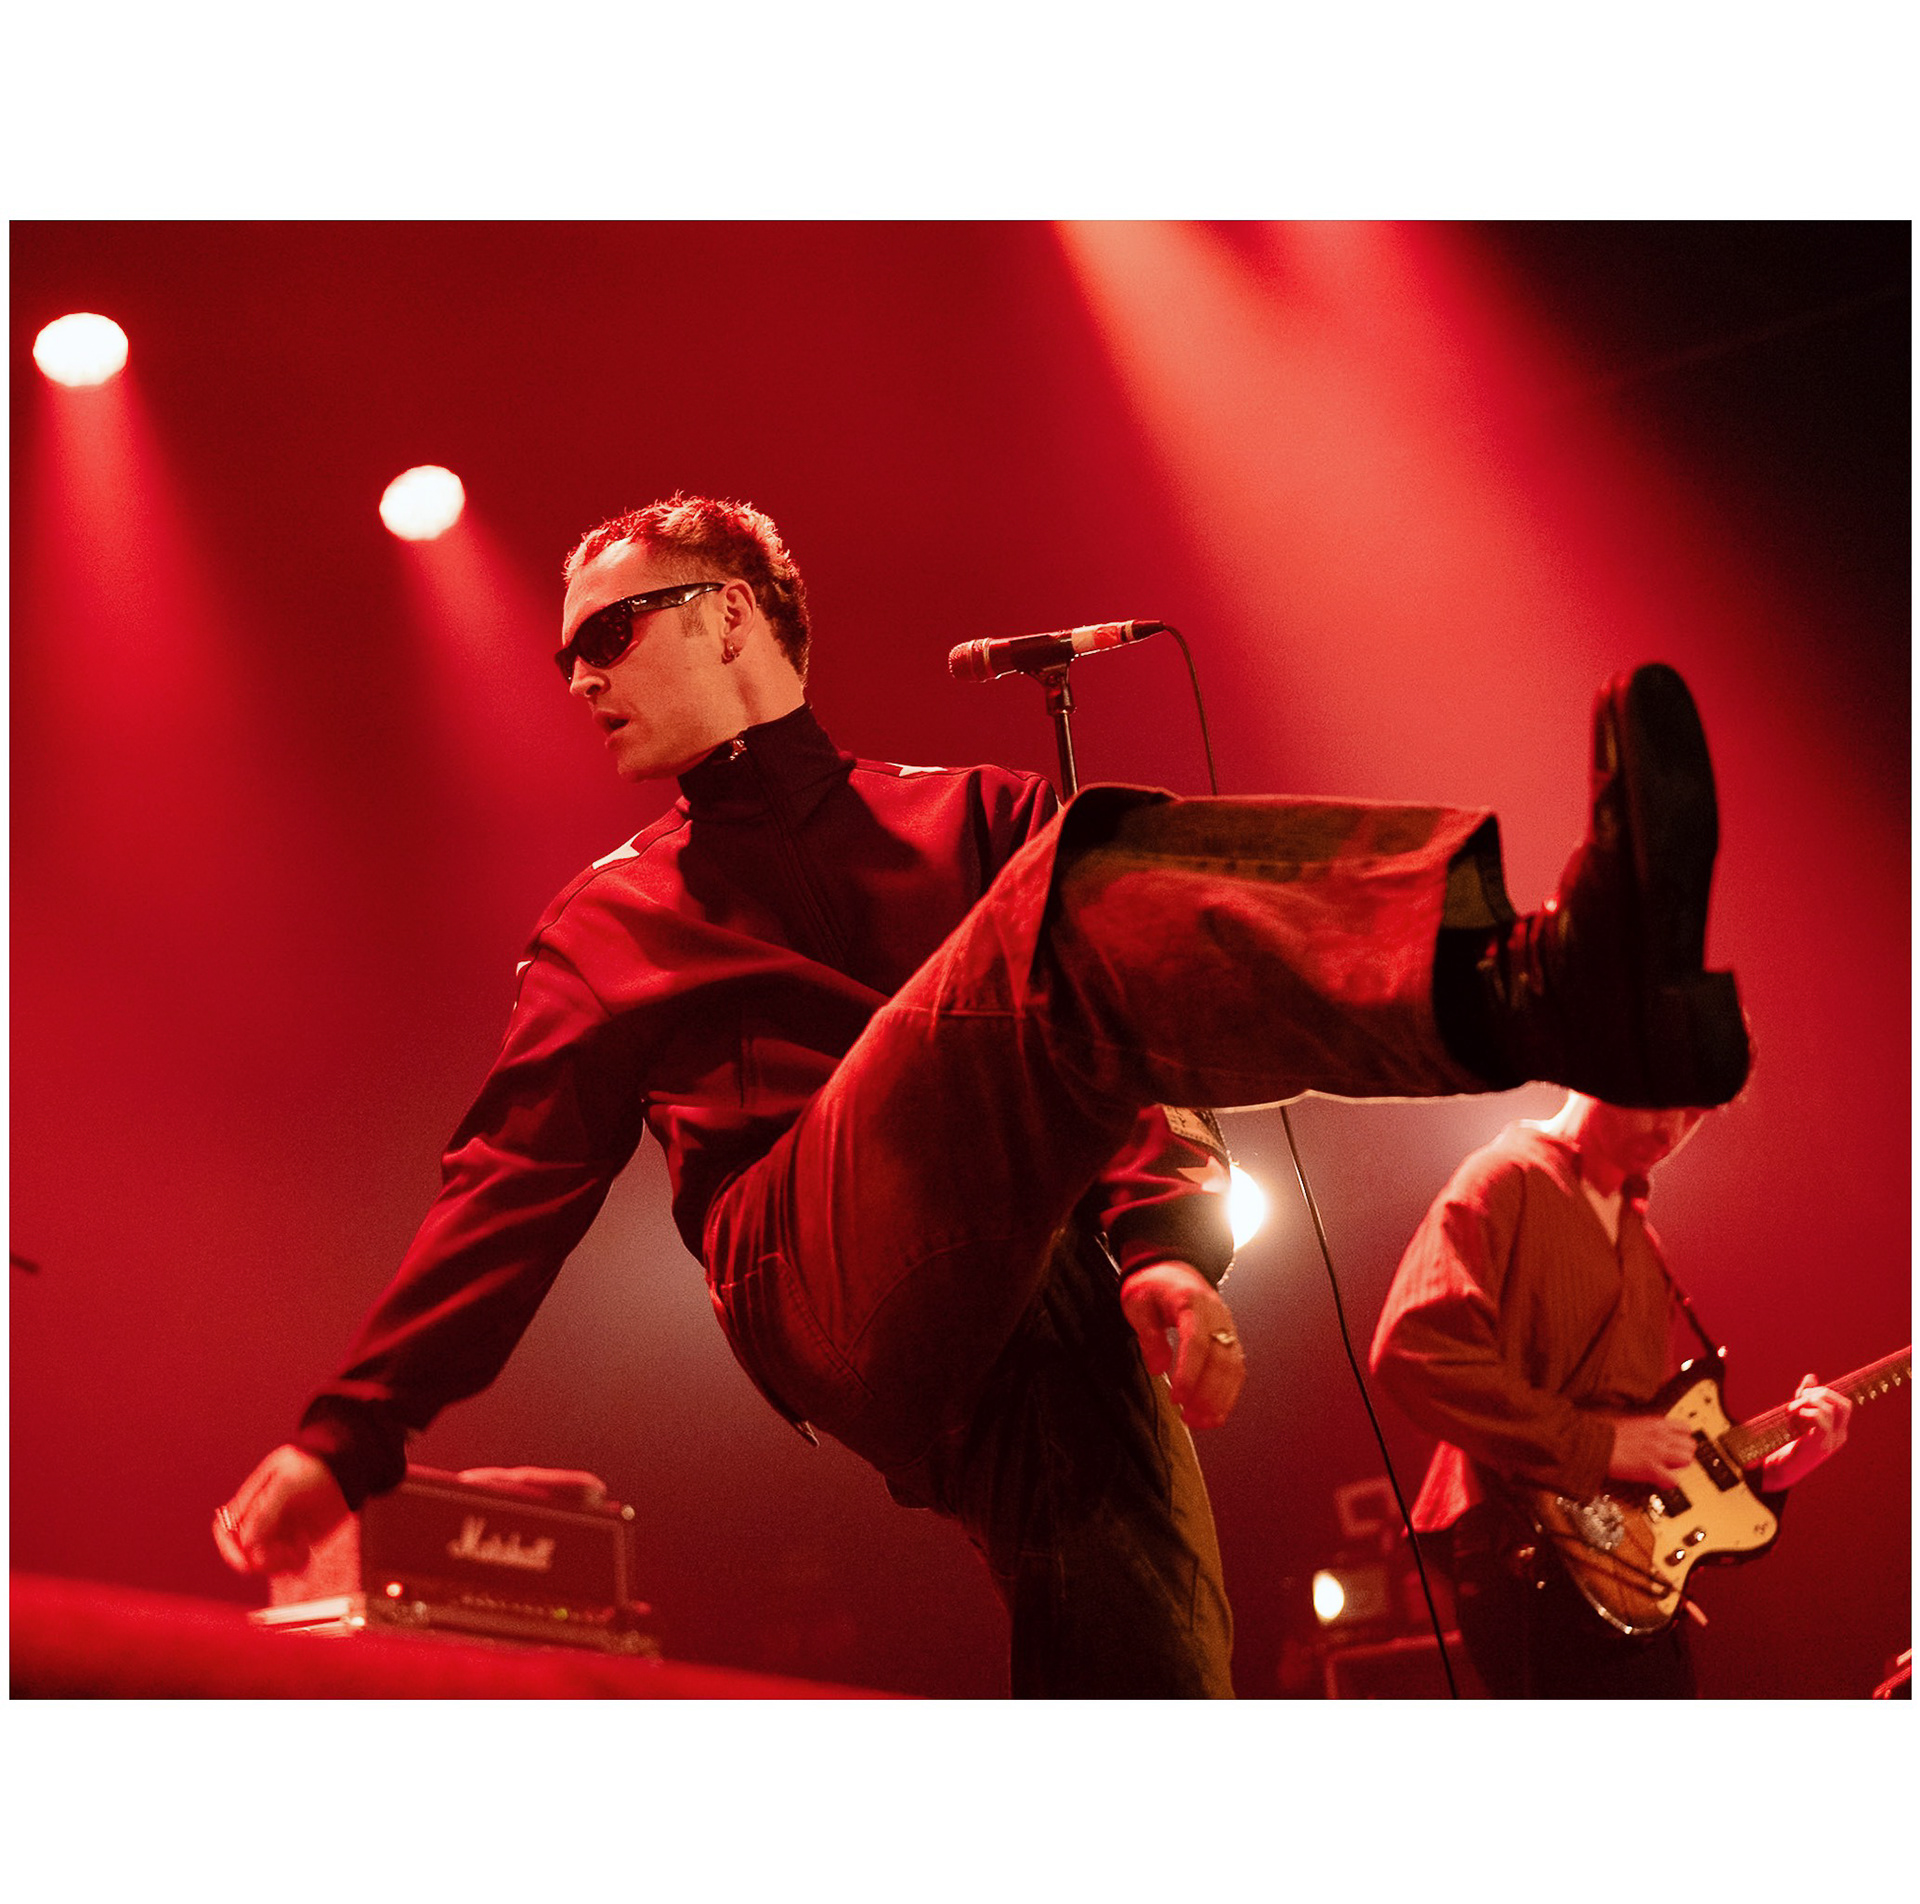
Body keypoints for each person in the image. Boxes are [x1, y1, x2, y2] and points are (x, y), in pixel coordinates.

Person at [215, 491, 1753, 1696]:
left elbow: (1117, 1018)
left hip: (1034, 1283)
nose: (576, 676)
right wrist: (350, 1437)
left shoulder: (979, 817)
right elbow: (506, 1189)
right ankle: (1540, 988)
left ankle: (1565, 988)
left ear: (731, 612)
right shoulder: (608, 921)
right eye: (566, 653)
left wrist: (1164, 1251)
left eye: (606, 635)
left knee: (1150, 1641)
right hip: (815, 1274)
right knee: (1065, 898)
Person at [1370, 1093, 1852, 1697]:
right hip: (1529, 1559)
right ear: (1603, 1064)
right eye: (1664, 1098)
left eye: (1695, 1115)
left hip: (1626, 1580)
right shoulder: (1505, 1177)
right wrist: (1597, 1445)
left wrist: (1770, 1475)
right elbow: (1414, 1349)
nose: (1672, 1130)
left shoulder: (1641, 1236)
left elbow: (1644, 1452)